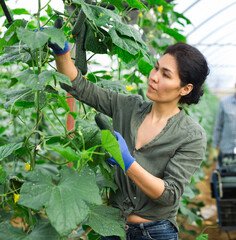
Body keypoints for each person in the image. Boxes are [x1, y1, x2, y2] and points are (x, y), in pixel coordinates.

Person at [52, 41, 209, 239]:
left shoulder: (191, 135)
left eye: (165, 75)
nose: (153, 77)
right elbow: (79, 87)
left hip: (156, 232)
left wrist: (127, 162)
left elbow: (170, 195)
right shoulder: (129, 106)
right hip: (113, 228)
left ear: (185, 89)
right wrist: (62, 53)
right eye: (156, 68)